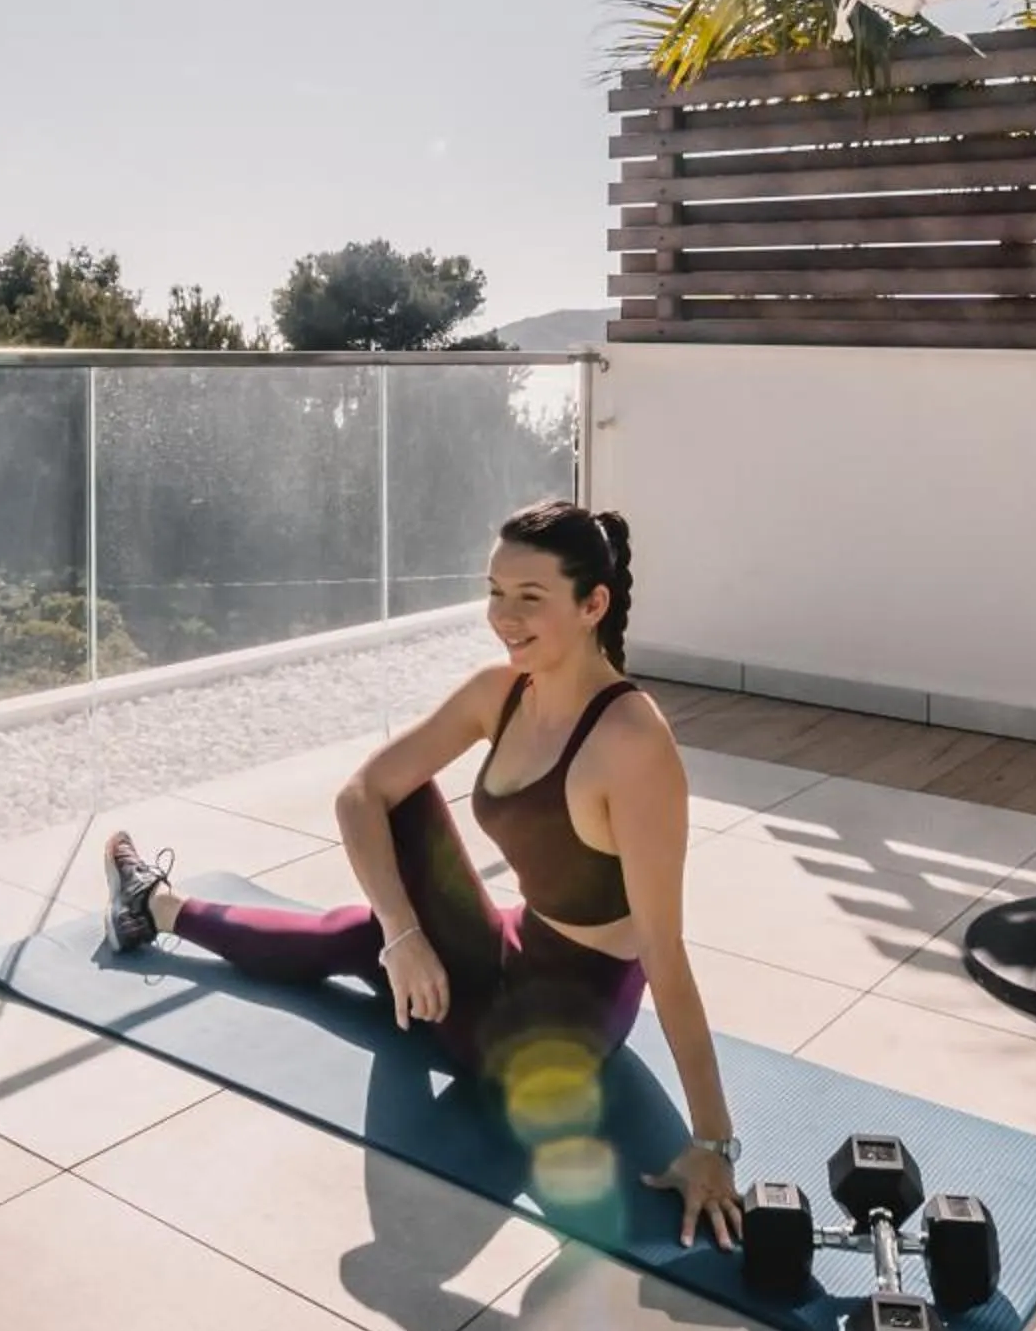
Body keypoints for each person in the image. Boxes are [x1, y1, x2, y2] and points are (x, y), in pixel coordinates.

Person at [100, 498, 747, 1250]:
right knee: (383, 895)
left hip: (557, 1022)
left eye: (530, 598)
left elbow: (665, 954)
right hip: (514, 941)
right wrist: (406, 937)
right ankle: (164, 908)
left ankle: (158, 908)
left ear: (592, 603)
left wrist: (714, 1145)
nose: (503, 616)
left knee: (360, 933)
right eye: (495, 591)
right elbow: (361, 793)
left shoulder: (632, 745)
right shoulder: (499, 693)